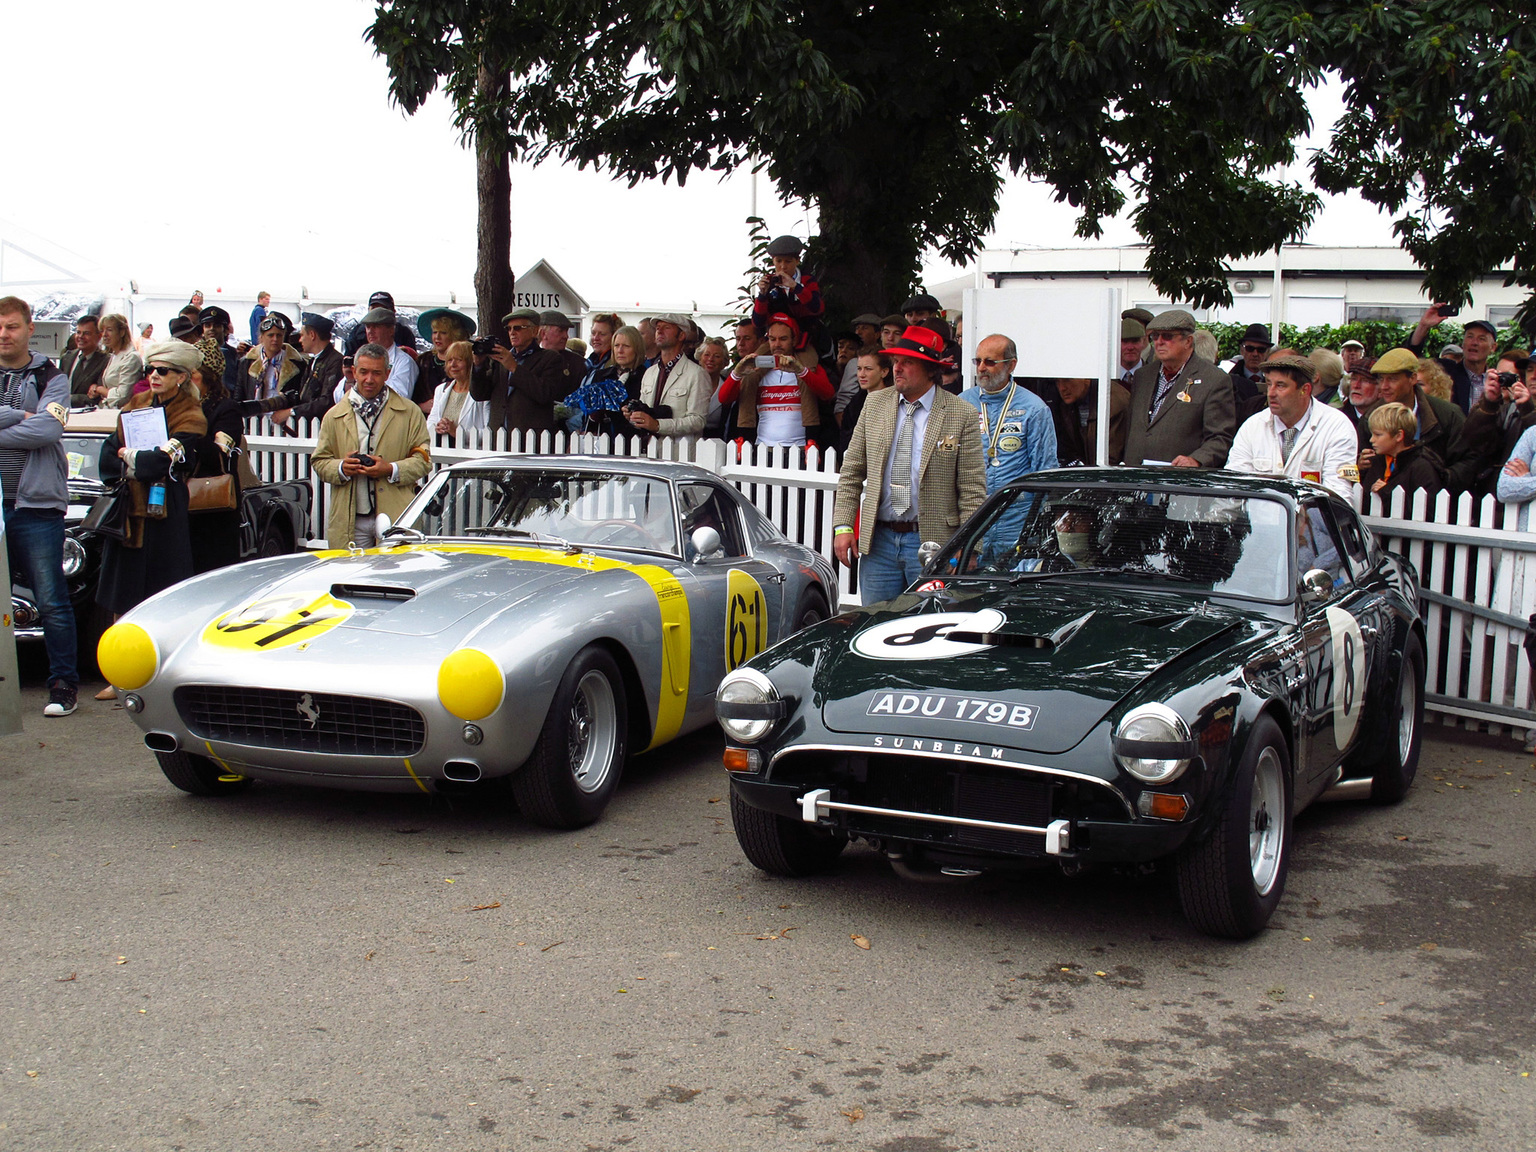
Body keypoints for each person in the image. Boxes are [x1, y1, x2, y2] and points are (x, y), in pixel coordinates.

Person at [832, 325, 986, 603]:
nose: (897, 368)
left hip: (935, 542)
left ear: (930, 369)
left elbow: (972, 488)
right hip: (879, 542)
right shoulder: (875, 403)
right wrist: (843, 527)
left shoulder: (960, 412)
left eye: (907, 362)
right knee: (875, 626)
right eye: (895, 362)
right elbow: (851, 471)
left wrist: (970, 545)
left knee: (932, 628)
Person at [94, 341, 209, 699]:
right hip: (130, 511)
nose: (154, 377)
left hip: (164, 513)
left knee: (163, 590)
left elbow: (155, 465)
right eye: (150, 370)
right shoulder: (136, 405)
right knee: (122, 592)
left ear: (181, 377)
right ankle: (118, 673)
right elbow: (106, 459)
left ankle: (160, 671)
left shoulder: (192, 417)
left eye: (163, 371)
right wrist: (133, 457)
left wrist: (128, 456)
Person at [0, 296, 78, 716]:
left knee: (51, 599)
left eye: (11, 326)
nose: (3, 334)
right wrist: (18, 415)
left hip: (37, 505)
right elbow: (31, 424)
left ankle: (63, 684)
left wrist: (19, 420)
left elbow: (48, 429)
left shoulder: (53, 375)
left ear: (30, 328)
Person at [311, 343, 431, 549]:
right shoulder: (333, 415)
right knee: (351, 578)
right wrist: (341, 467)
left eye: (376, 373)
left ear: (387, 373)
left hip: (396, 516)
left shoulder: (409, 412)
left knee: (394, 577)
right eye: (364, 372)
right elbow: (320, 462)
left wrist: (390, 469)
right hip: (350, 519)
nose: (369, 379)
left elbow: (423, 461)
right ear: (354, 372)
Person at [189, 354, 290, 574]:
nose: (187, 382)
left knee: (214, 571)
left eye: (193, 376)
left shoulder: (226, 409)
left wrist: (192, 427)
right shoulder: (179, 409)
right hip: (185, 507)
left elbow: (220, 454)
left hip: (213, 508)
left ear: (207, 378)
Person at [1225, 354, 1360, 499]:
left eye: (1280, 385)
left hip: (1312, 521)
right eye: (1269, 384)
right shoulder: (1252, 426)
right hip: (1258, 521)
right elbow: (1234, 489)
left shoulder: (1336, 426)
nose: (1271, 393)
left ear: (1305, 390)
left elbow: (1338, 495)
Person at [1123, 309, 1236, 467]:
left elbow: (1220, 437)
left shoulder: (1214, 380)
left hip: (1178, 480)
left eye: (1167, 336)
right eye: (1155, 336)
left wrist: (1196, 459)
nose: (1159, 342)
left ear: (1188, 341)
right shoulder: (1143, 375)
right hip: (1136, 476)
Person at [717, 313, 834, 449]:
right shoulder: (756, 371)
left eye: (783, 339)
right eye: (772, 339)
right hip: (762, 449)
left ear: (794, 340)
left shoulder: (807, 367)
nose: (777, 344)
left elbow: (828, 393)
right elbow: (724, 398)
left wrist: (801, 371)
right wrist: (737, 373)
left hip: (801, 449)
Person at [959, 334, 1057, 488]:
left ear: (1011, 365)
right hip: (973, 507)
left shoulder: (1033, 408)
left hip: (1017, 508)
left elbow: (1044, 468)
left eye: (989, 362)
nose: (981, 368)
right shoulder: (961, 403)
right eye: (977, 361)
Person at [1364, 347, 1470, 488]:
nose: (1384, 386)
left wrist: (1438, 479)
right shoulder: (1370, 416)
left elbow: (1468, 461)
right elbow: (1352, 470)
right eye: (1381, 379)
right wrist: (1360, 466)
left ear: (1413, 378)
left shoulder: (1448, 414)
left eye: (1392, 379)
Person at [470, 308, 577, 434]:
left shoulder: (550, 358)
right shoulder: (501, 358)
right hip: (498, 436)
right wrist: (478, 365)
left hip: (531, 437)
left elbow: (545, 394)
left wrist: (514, 368)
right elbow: (479, 395)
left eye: (518, 328)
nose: (512, 333)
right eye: (509, 329)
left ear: (535, 331)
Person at [627, 313, 710, 438]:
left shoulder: (697, 374)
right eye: (657, 327)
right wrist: (634, 416)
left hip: (680, 453)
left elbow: (698, 421)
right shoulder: (649, 372)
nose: (659, 331)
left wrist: (658, 425)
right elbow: (644, 416)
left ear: (681, 335)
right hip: (650, 450)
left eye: (666, 327)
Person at [563, 324, 645, 439]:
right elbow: (587, 413)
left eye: (626, 346)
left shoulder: (645, 376)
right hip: (600, 439)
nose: (620, 351)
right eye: (616, 346)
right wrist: (593, 416)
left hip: (631, 440)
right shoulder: (601, 375)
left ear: (637, 349)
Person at [1406, 307, 1492, 412]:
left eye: (1481, 339)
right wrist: (1423, 326)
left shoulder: (1495, 380)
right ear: (1462, 343)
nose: (1474, 342)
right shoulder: (1446, 370)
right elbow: (1410, 360)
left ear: (1493, 347)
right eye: (1470, 337)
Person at [1360, 402, 1444, 509]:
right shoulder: (1377, 462)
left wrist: (1387, 493)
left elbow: (1427, 510)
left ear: (1399, 436)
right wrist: (1360, 470)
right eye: (1372, 434)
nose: (1371, 440)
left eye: (1378, 434)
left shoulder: (1422, 467)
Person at [752, 236, 824, 338]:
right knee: (756, 354)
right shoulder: (769, 282)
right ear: (773, 261)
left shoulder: (807, 280)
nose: (783, 266)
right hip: (776, 340)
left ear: (797, 261)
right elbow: (758, 322)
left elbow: (817, 308)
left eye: (788, 261)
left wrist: (796, 287)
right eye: (779, 261)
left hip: (805, 338)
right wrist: (762, 295)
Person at [1048, 376, 1129, 466]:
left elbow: (1112, 458)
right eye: (1057, 382)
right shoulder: (1067, 405)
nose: (1062, 388)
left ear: (1086, 378)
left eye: (1068, 380)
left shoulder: (1112, 402)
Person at [285, 313, 345, 426]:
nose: (300, 340)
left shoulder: (335, 361)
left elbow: (327, 400)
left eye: (302, 335)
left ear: (312, 335)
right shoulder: (314, 360)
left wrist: (292, 412)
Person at [413, 307, 476, 415]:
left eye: (443, 333)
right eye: (434, 332)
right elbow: (411, 395)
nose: (437, 337)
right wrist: (421, 406)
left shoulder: (468, 360)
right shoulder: (423, 361)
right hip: (426, 422)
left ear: (455, 335)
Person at [425, 340, 488, 441]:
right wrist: (438, 426)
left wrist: (458, 432)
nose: (453, 365)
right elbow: (430, 422)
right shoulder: (441, 389)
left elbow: (488, 432)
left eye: (459, 360)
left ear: (471, 362)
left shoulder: (483, 392)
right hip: (442, 452)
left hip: (472, 454)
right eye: (449, 360)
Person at [240, 313, 306, 403]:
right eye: (270, 335)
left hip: (283, 415)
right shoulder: (247, 362)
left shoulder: (298, 364)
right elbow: (239, 394)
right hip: (254, 415)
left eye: (279, 335)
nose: (275, 339)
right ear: (262, 337)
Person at [838, 346, 891, 457]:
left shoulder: (894, 402)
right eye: (859, 368)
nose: (861, 374)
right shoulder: (854, 404)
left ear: (884, 372)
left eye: (868, 369)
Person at [358, 306, 419, 401]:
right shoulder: (362, 358)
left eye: (376, 326)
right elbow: (338, 396)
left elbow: (400, 397)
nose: (370, 331)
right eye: (368, 327)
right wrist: (348, 380)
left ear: (391, 330)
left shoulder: (405, 362)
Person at [344, 291, 418, 358]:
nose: (377, 313)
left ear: (393, 311)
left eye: (382, 309)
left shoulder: (404, 334)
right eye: (373, 309)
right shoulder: (357, 333)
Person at [98, 313, 143, 408]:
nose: (104, 335)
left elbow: (123, 395)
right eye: (102, 331)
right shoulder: (114, 355)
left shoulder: (131, 357)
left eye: (109, 330)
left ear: (122, 332)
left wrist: (100, 390)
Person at [1228, 323, 1272, 420]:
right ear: (1242, 350)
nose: (1255, 354)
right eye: (1250, 349)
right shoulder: (1229, 380)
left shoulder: (1274, 379)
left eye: (1261, 350)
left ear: (1267, 352)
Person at [62, 315, 109, 405]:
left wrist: (69, 398)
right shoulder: (66, 358)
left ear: (99, 336)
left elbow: (96, 397)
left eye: (86, 333)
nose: (81, 336)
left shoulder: (105, 361)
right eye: (78, 332)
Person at [1118, 318, 1147, 386]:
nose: (1130, 347)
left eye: (1135, 341)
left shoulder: (1156, 377)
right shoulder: (1103, 378)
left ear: (1144, 342)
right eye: (1124, 341)